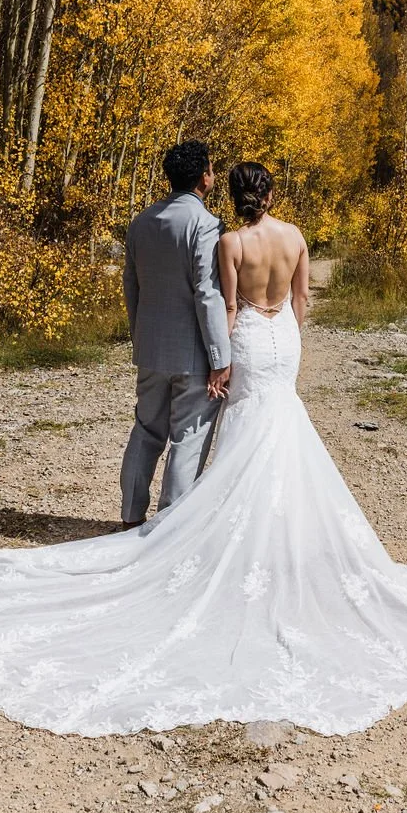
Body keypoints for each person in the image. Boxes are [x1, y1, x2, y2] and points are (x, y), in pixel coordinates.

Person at [0, 160, 407, 737]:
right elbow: (300, 302)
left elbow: (230, 304)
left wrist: (228, 355)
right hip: (284, 342)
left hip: (246, 339)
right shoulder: (296, 238)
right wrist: (286, 334)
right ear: (269, 194)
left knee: (235, 434)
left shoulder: (229, 243)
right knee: (284, 428)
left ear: (235, 195)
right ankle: (284, 539)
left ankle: (176, 526)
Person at [119, 140, 230, 527]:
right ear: (204, 178)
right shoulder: (206, 225)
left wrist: (139, 333)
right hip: (193, 351)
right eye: (212, 169)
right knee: (188, 436)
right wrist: (221, 358)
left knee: (146, 428)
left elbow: (130, 284)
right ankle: (169, 523)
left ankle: (131, 515)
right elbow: (208, 292)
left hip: (150, 346)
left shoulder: (142, 221)